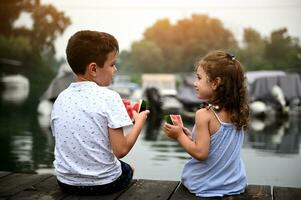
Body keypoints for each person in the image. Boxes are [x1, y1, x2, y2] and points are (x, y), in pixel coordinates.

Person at [51, 30, 150, 195]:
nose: (115, 69)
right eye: (112, 64)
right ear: (93, 69)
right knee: (128, 168)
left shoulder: (60, 98)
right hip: (104, 184)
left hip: (66, 182)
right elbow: (121, 150)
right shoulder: (110, 97)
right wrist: (139, 122)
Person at [163, 50, 249, 197]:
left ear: (215, 83)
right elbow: (217, 147)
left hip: (204, 185)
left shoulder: (204, 115)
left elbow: (200, 153)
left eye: (199, 78)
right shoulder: (237, 112)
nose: (195, 83)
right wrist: (191, 138)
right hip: (234, 184)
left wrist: (179, 136)